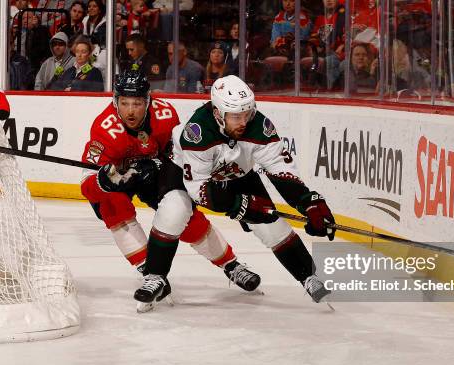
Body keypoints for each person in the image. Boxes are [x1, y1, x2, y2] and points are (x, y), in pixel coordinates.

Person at [81, 69, 260, 311]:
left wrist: (159, 164)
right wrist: (107, 178)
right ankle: (149, 271)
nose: (130, 110)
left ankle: (231, 265)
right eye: (124, 103)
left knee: (181, 210)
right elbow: (87, 187)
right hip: (120, 180)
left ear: (148, 101)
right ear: (115, 102)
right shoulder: (105, 129)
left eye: (137, 103)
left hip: (154, 173)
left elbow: (179, 156)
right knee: (112, 205)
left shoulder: (165, 115)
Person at [172, 75, 335, 304]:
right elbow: (198, 188)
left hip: (238, 174)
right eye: (236, 116)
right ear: (218, 114)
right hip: (186, 176)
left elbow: (280, 170)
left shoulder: (258, 125)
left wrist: (308, 201)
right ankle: (156, 274)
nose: (243, 122)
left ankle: (308, 276)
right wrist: (237, 205)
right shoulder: (198, 130)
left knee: (272, 225)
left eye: (246, 114)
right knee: (174, 219)